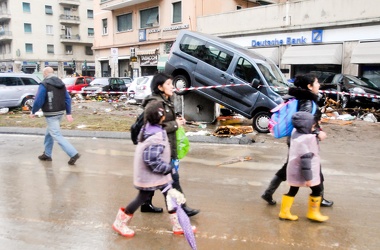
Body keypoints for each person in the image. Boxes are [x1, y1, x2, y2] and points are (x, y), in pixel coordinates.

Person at [112, 101, 196, 237]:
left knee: (171, 197)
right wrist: (167, 168)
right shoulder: (155, 136)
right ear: (161, 117)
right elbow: (152, 160)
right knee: (142, 197)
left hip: (156, 175)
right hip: (150, 175)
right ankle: (120, 223)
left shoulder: (151, 128)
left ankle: (178, 226)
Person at [261, 73, 333, 207]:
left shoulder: (300, 98)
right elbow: (302, 121)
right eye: (316, 83)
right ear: (309, 86)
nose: (319, 85)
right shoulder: (306, 101)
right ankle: (319, 197)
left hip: (296, 139)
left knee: (290, 167)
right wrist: (317, 132)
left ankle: (268, 193)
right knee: (313, 168)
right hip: (303, 140)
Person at [140, 73, 200, 217]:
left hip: (165, 147)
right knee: (173, 179)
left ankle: (145, 203)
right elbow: (151, 128)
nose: (172, 86)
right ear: (159, 87)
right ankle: (181, 208)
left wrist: (177, 120)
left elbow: (164, 121)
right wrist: (175, 124)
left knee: (153, 177)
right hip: (158, 150)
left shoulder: (166, 101)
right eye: (168, 84)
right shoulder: (155, 103)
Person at [279, 111, 328, 222]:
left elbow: (308, 131)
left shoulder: (296, 132)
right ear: (306, 126)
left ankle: (284, 212)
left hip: (295, 169)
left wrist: (316, 132)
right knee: (317, 189)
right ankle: (313, 213)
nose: (314, 127)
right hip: (305, 171)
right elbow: (306, 162)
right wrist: (309, 178)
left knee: (293, 190)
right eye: (313, 125)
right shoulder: (306, 140)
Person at [30, 67, 80, 165]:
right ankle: (47, 154)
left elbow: (38, 100)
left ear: (45, 74)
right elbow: (67, 99)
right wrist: (68, 113)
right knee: (49, 133)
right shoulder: (61, 83)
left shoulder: (44, 84)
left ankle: (73, 153)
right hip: (60, 112)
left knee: (56, 134)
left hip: (50, 113)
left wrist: (33, 111)